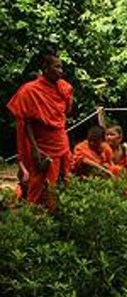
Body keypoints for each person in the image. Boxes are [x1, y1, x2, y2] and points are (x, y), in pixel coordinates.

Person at [6, 53, 73, 210]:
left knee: (64, 179)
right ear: (45, 68)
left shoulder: (64, 88)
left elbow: (66, 112)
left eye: (61, 67)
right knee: (41, 184)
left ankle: (61, 215)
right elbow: (26, 121)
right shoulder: (30, 90)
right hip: (43, 144)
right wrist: (35, 149)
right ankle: (35, 218)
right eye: (57, 67)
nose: (60, 71)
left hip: (61, 139)